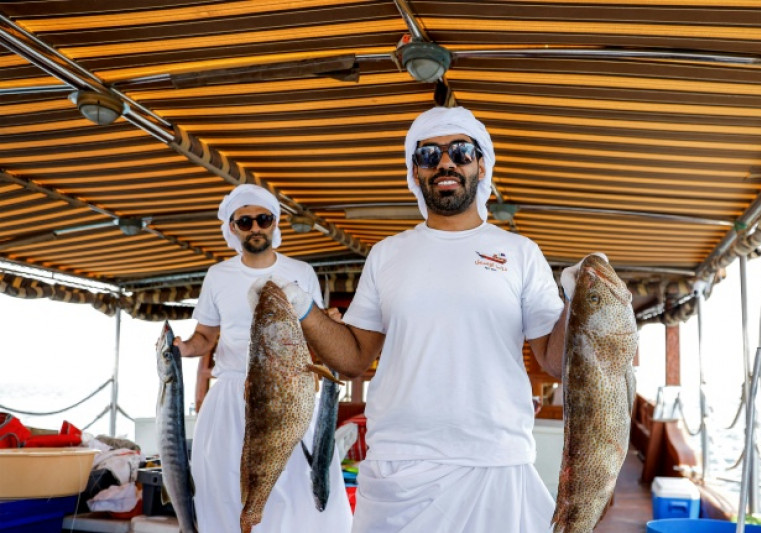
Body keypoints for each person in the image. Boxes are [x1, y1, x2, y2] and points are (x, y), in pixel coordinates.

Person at [294, 106, 599, 532]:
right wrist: (303, 309)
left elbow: (554, 362)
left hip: (495, 458)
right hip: (398, 462)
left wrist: (578, 300)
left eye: (460, 151)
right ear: (414, 173)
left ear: (481, 164)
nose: (445, 163)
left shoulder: (520, 252)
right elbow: (354, 359)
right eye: (428, 155)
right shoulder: (386, 254)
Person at [173, 184, 352, 533]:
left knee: (300, 486)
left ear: (274, 223)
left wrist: (329, 325)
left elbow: (314, 336)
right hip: (231, 397)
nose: (255, 227)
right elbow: (205, 337)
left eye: (263, 219)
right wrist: (178, 349)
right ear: (233, 228)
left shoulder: (301, 272)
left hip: (290, 391)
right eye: (245, 221)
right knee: (224, 486)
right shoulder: (218, 275)